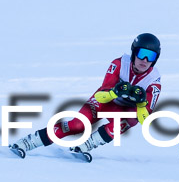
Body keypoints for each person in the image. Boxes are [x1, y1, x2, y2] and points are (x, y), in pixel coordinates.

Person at [10, 33, 162, 157]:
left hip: (122, 112)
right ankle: (28, 142)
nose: (145, 60)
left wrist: (142, 103)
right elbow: (101, 95)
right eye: (142, 54)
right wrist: (115, 91)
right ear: (134, 52)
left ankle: (86, 145)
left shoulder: (154, 81)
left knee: (132, 118)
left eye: (151, 56)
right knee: (77, 125)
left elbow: (144, 119)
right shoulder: (119, 63)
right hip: (105, 101)